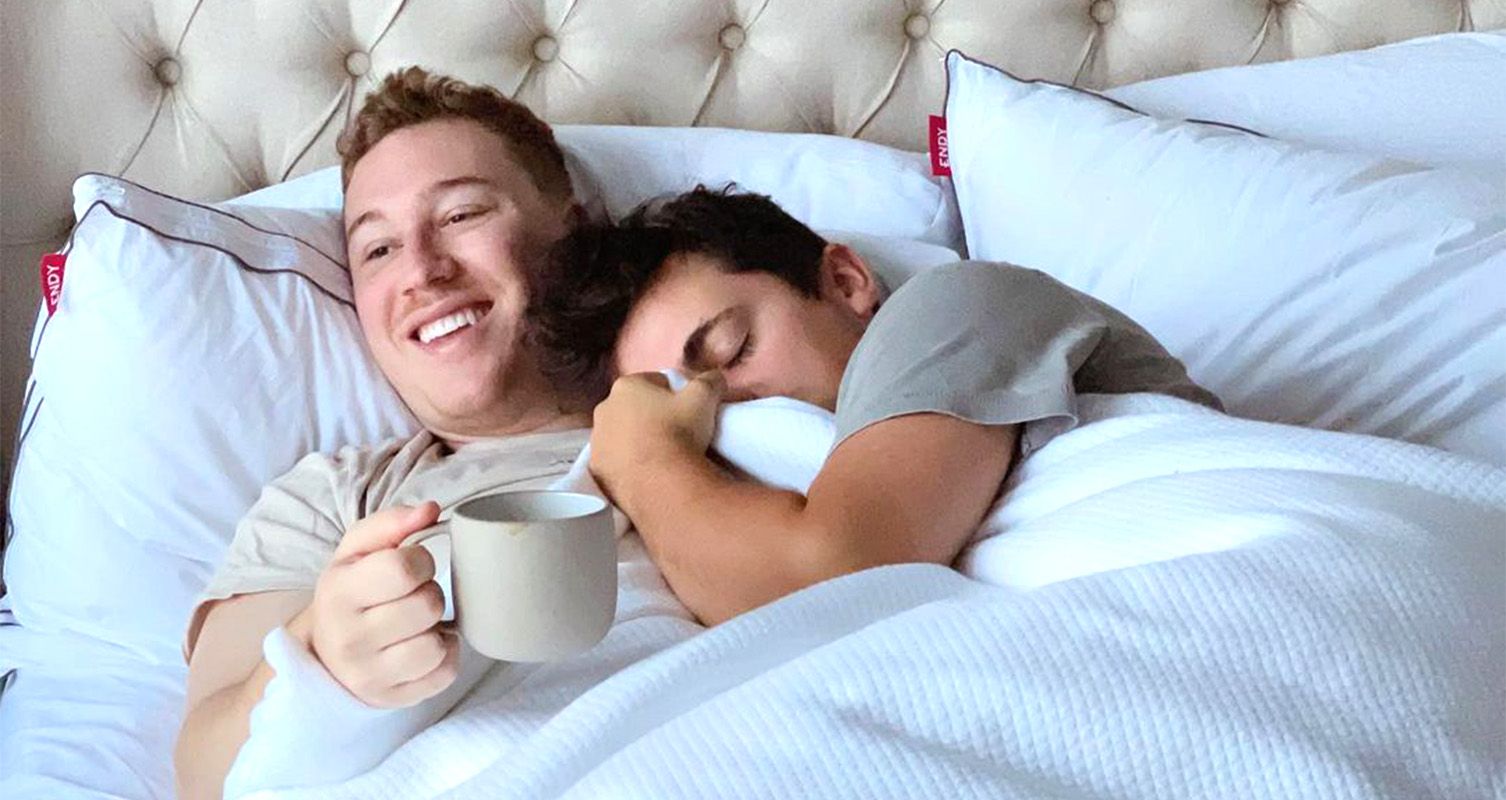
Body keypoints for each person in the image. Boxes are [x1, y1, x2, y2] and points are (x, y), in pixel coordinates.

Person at [528, 185, 1222, 627]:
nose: (724, 409)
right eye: (683, 406)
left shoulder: (958, 303)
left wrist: (646, 458)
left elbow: (832, 578)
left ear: (845, 278)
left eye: (735, 349)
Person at [174, 67, 589, 798]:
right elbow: (205, 773)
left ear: (573, 230)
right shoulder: (337, 500)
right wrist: (318, 657)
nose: (423, 271)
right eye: (377, 250)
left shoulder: (725, 390)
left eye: (461, 215)